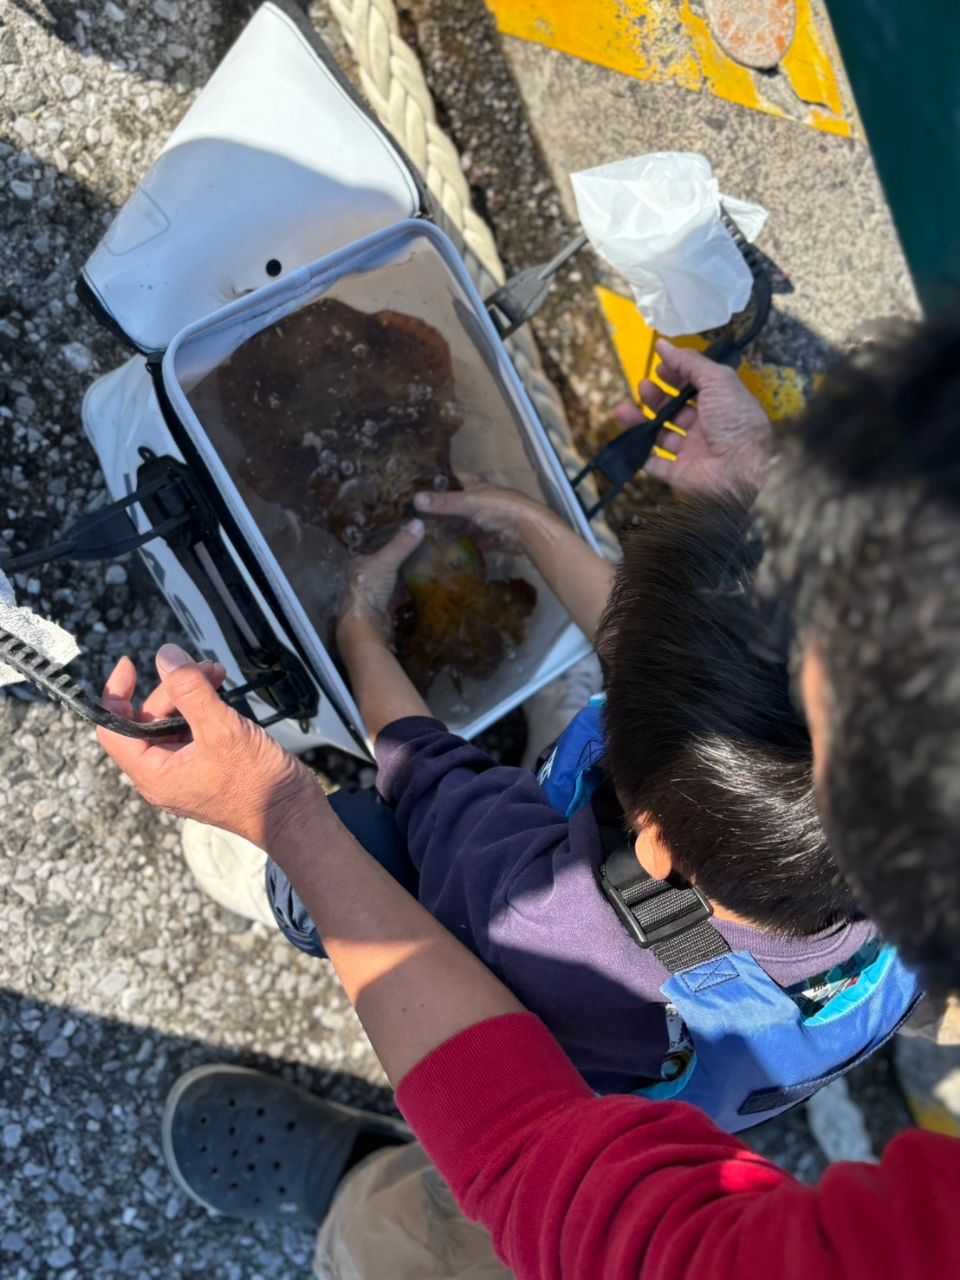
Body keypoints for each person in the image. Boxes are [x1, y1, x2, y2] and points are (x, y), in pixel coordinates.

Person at [186, 355, 918, 1124]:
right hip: (715, 1041)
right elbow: (647, 648)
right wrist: (523, 519)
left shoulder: (547, 914)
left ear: (656, 847)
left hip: (550, 1034)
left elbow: (425, 770)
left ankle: (292, 895)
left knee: (357, 839)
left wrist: (361, 627)